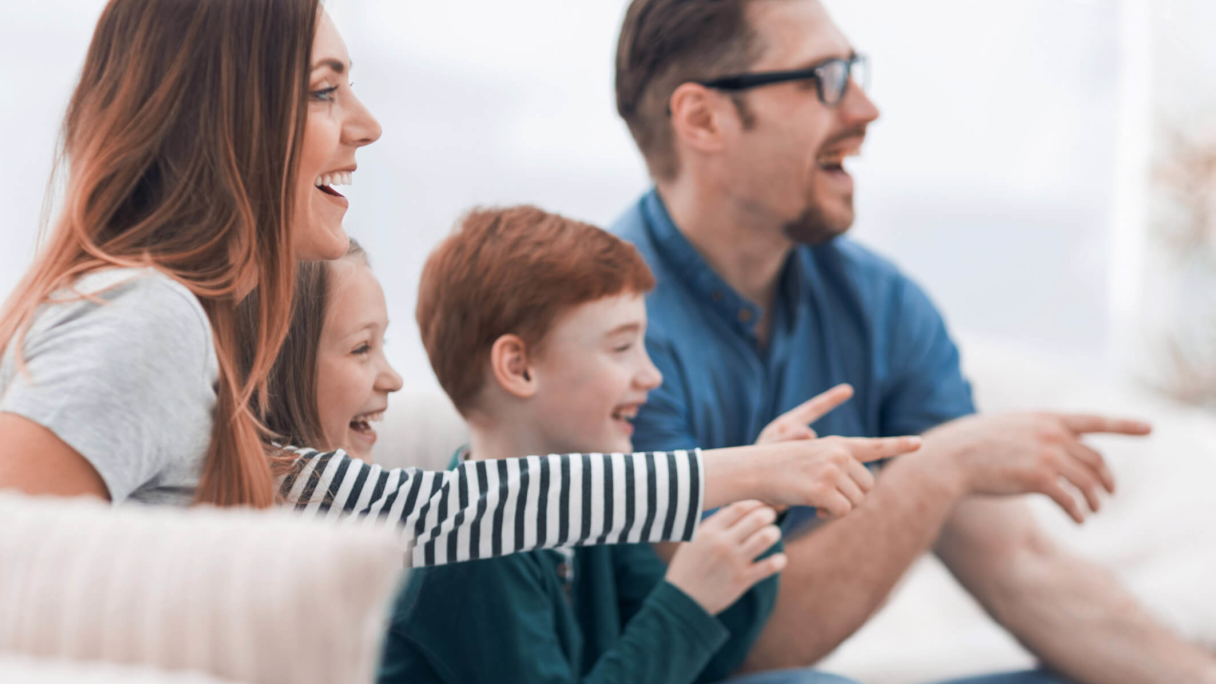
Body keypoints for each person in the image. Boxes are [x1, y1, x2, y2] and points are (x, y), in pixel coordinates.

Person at [0, 0, 903, 569]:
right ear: (223, 116)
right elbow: (24, 592)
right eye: (324, 90)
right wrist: (750, 473)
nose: (367, 124)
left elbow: (434, 512)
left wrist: (752, 472)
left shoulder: (197, 338)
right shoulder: (141, 317)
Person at [609, 1, 1216, 682]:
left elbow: (1021, 566)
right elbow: (733, 647)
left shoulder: (880, 304)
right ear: (703, 119)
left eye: (854, 72)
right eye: (824, 79)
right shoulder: (604, 337)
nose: (865, 109)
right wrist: (939, 469)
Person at [378, 206, 902, 683]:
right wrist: (686, 600)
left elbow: (706, 662)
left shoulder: (597, 515)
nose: (651, 375)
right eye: (622, 347)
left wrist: (759, 506)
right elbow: (675, 626)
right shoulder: (473, 552)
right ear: (519, 368)